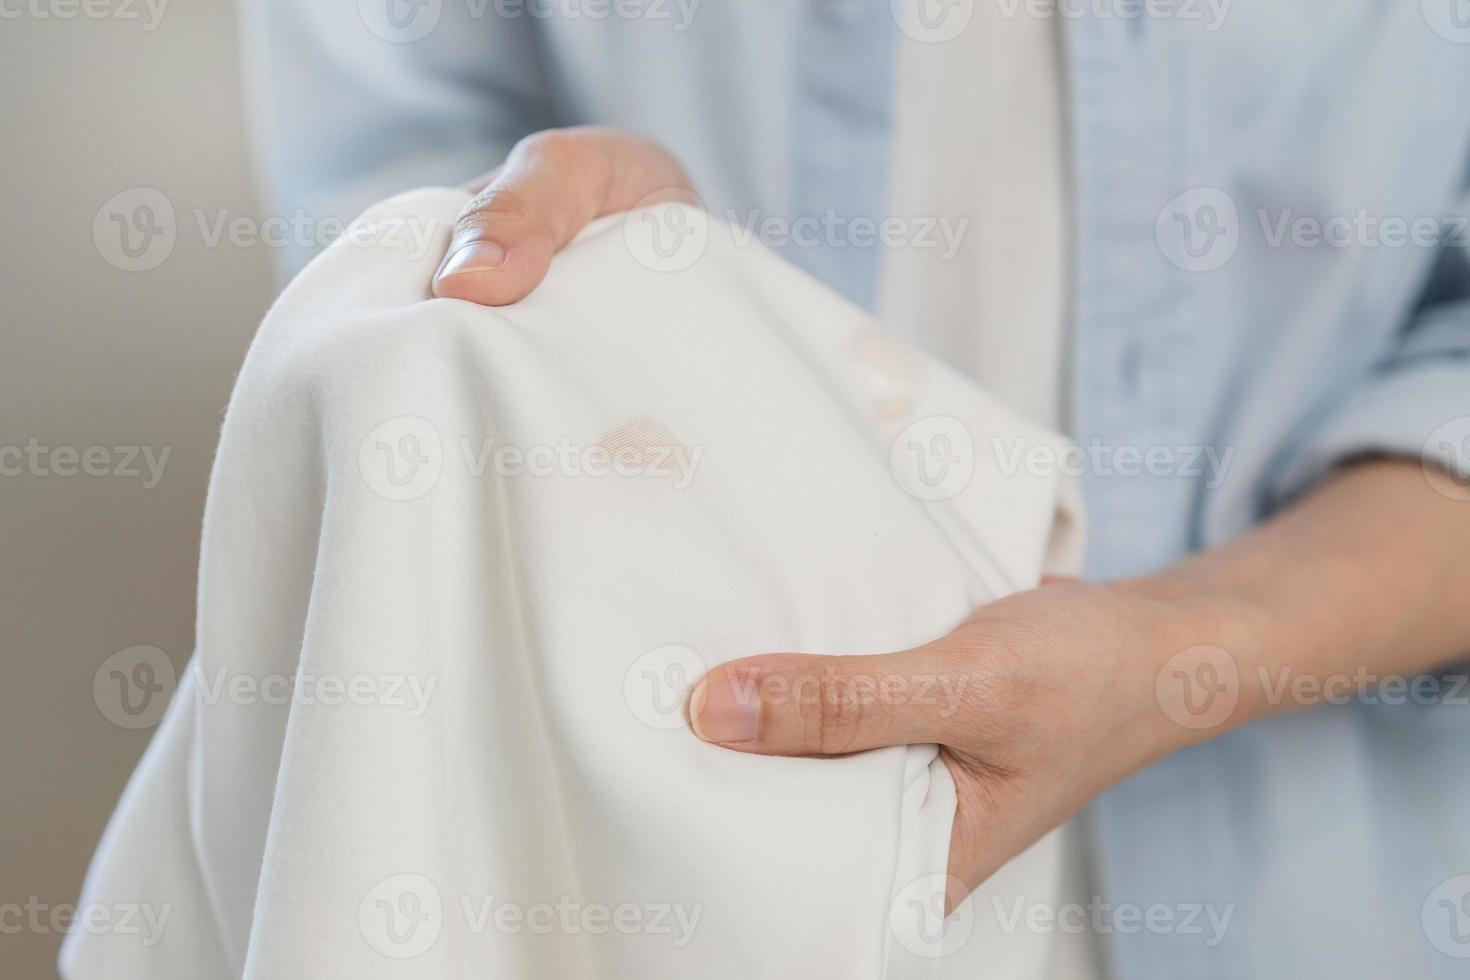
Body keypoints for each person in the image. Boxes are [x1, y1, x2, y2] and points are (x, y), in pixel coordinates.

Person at [243, 4, 1470, 975]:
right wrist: (614, 302)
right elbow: (398, 204)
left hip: (1329, 880)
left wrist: (1178, 650)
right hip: (664, 838)